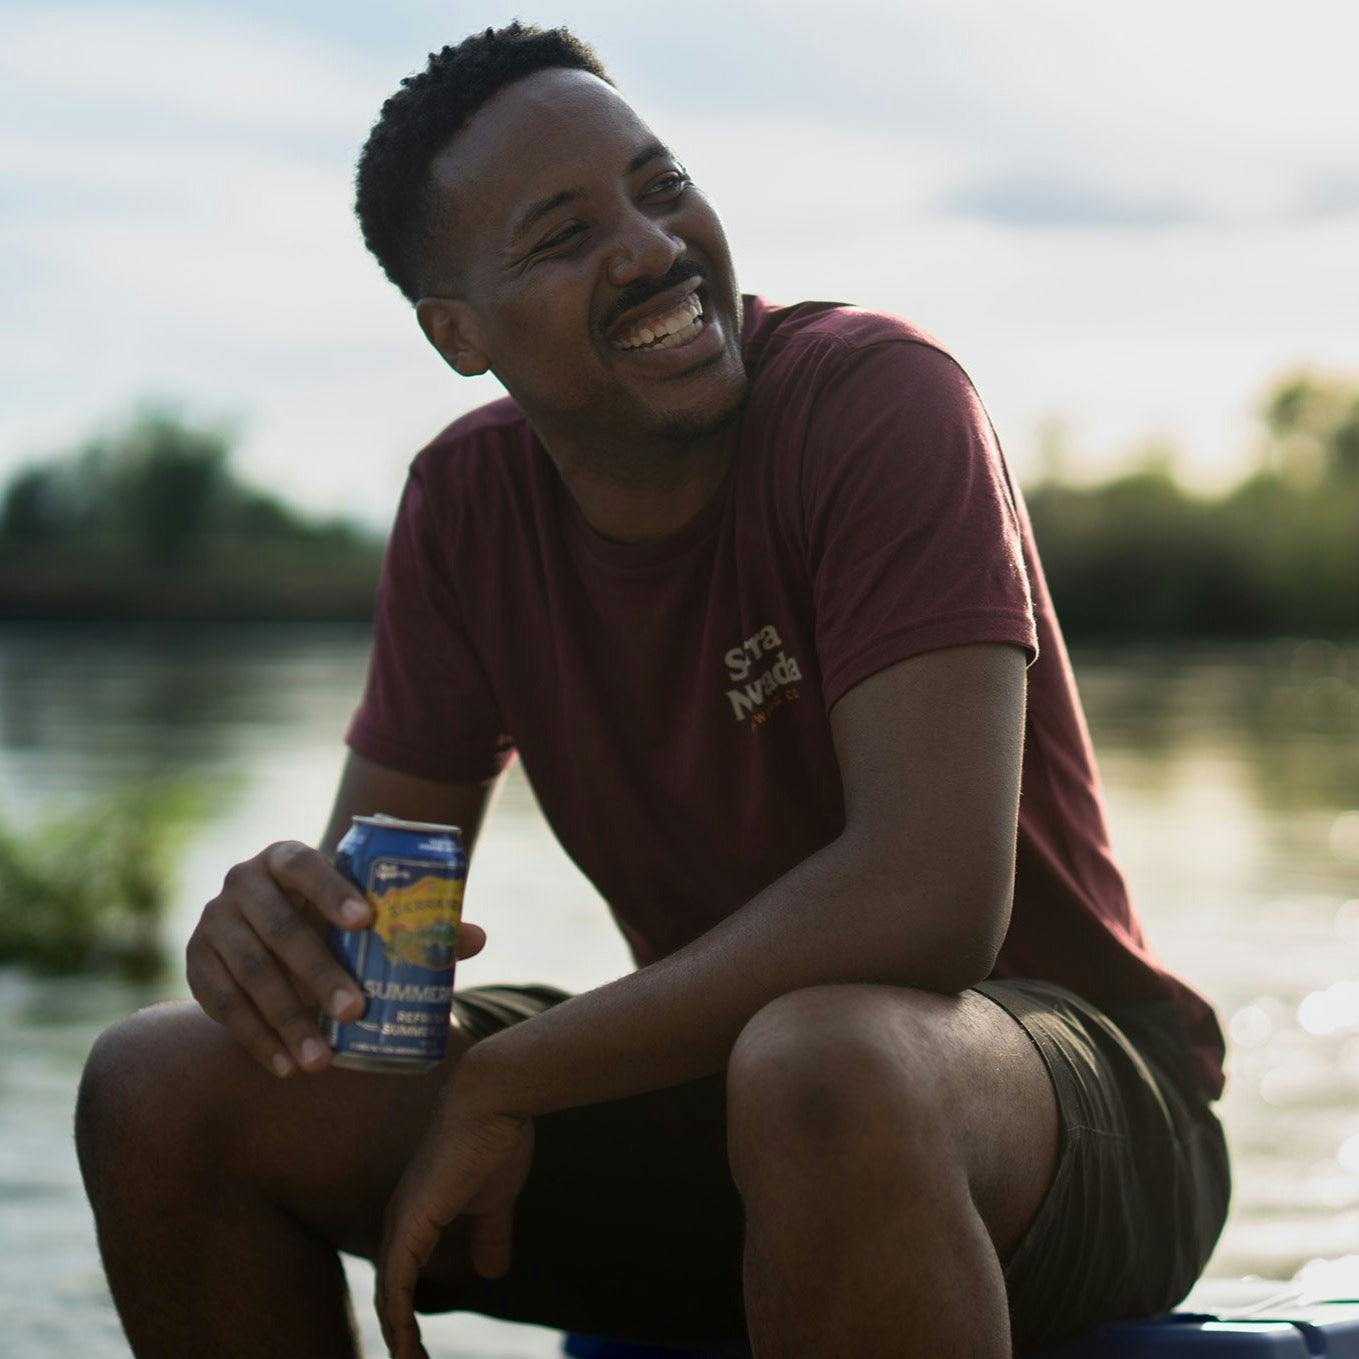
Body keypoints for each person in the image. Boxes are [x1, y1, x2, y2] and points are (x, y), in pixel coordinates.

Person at [75, 22, 1232, 1359]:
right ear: (458, 331)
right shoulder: (466, 508)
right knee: (159, 1083)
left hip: (1065, 1098)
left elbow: (930, 905)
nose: (649, 246)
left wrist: (515, 1073)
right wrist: (280, 940)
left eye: (661, 185)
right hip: (731, 1093)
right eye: (565, 236)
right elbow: (377, 945)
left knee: (823, 1063)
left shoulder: (879, 402)